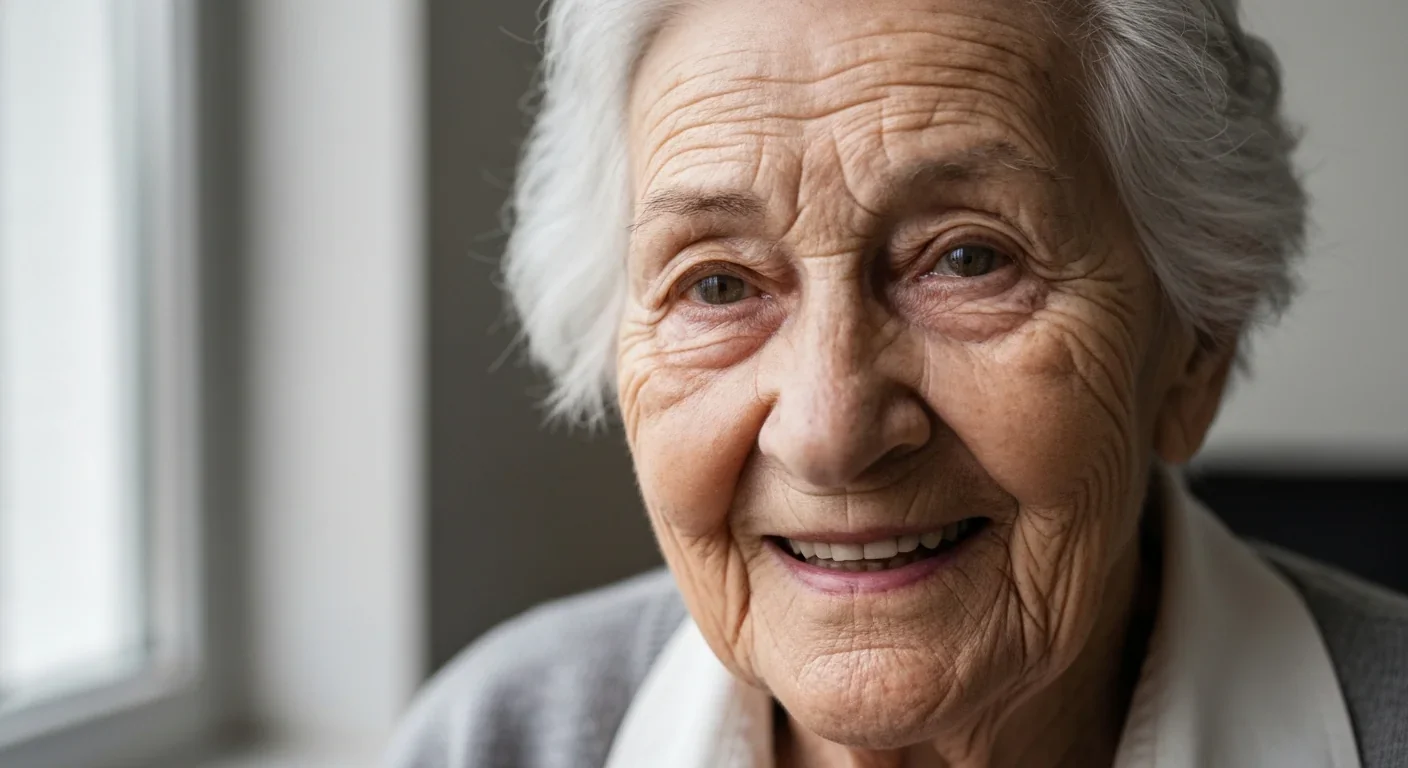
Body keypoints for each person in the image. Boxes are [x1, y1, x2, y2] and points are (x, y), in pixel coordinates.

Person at [390, 0, 1408, 765]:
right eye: (716, 282)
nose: (830, 430)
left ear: (1195, 345)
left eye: (968, 260)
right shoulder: (494, 737)